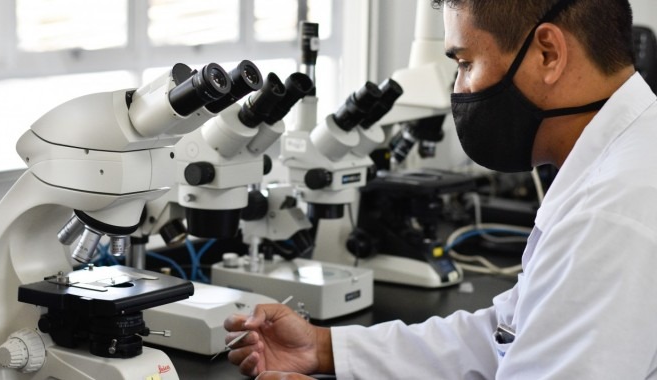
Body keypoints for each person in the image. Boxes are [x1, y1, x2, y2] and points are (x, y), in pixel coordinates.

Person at [224, 0, 657, 378]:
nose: (458, 88)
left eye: (466, 64)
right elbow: (507, 335)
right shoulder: (624, 159)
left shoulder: (613, 213)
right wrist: (322, 348)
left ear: (548, 53)